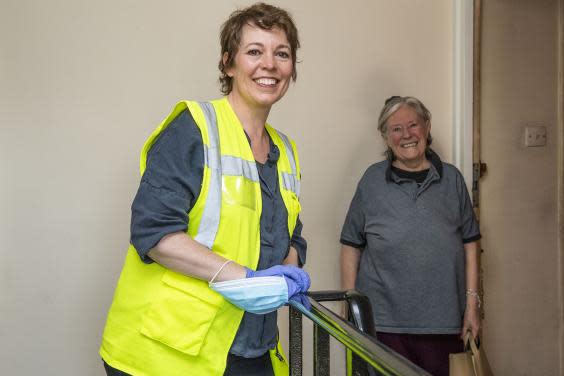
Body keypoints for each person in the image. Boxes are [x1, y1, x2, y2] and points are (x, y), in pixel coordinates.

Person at [99, 3, 309, 376]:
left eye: (282, 53)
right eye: (254, 51)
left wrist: (284, 274)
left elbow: (290, 235)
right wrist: (245, 279)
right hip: (167, 355)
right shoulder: (194, 127)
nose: (270, 64)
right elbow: (154, 232)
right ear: (228, 63)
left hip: (251, 351)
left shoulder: (286, 151)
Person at [340, 96, 481, 376]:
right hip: (382, 324)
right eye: (395, 128)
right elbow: (350, 245)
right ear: (385, 137)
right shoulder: (372, 181)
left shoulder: (452, 180)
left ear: (427, 127)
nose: (406, 135)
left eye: (413, 125)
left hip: (442, 323)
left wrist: (472, 304)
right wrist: (351, 305)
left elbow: (470, 244)